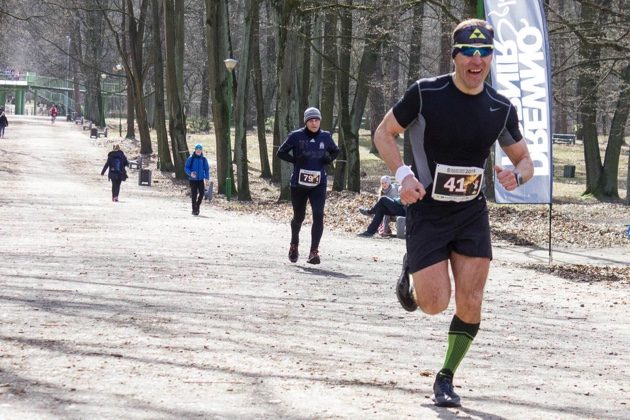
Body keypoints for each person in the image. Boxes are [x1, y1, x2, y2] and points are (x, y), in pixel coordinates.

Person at [373, 18, 534, 408]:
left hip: (470, 213)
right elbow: (383, 133)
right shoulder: (426, 94)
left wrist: (517, 176)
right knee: (433, 303)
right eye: (468, 52)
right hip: (427, 209)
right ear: (455, 55)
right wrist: (403, 175)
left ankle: (446, 376)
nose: (476, 61)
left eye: (484, 53)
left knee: (472, 299)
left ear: (491, 58)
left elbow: (525, 160)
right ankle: (413, 270)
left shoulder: (499, 107)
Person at [277, 107, 339, 264]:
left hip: (319, 183)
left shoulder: (325, 137)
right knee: (299, 217)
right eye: (311, 120)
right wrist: (296, 161)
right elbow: (281, 152)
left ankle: (313, 251)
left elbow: (336, 151)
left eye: (317, 120)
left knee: (318, 214)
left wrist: (328, 159)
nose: (314, 123)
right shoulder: (296, 136)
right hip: (299, 183)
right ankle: (294, 244)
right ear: (306, 121)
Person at [184, 143, 211, 216]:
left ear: (201, 151)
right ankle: (194, 209)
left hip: (201, 179)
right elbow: (186, 167)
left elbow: (206, 169)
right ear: (195, 150)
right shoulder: (191, 158)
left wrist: (207, 178)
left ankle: (197, 205)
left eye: (200, 150)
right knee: (194, 194)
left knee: (202, 193)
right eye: (197, 150)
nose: (198, 151)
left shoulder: (204, 159)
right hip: (193, 180)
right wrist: (190, 173)